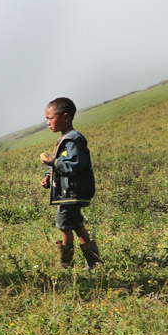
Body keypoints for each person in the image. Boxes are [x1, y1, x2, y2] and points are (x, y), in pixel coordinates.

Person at [39, 97, 101, 268]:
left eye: (50, 118)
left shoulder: (73, 139)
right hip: (68, 193)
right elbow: (62, 161)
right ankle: (95, 264)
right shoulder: (64, 140)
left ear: (66, 117)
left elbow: (76, 164)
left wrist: (53, 163)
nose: (48, 123)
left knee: (64, 226)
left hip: (71, 193)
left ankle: (66, 266)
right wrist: (48, 176)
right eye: (47, 119)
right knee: (77, 225)